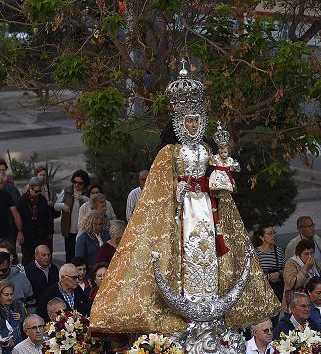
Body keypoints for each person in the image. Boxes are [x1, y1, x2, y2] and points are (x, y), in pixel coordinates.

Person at [89, 70, 279, 334]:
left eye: (197, 120)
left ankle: (210, 297)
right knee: (184, 247)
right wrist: (178, 190)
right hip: (183, 207)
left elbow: (217, 174)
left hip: (207, 205)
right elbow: (158, 188)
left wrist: (220, 175)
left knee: (211, 248)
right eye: (188, 121)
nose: (193, 126)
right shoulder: (170, 152)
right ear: (180, 121)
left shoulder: (206, 149)